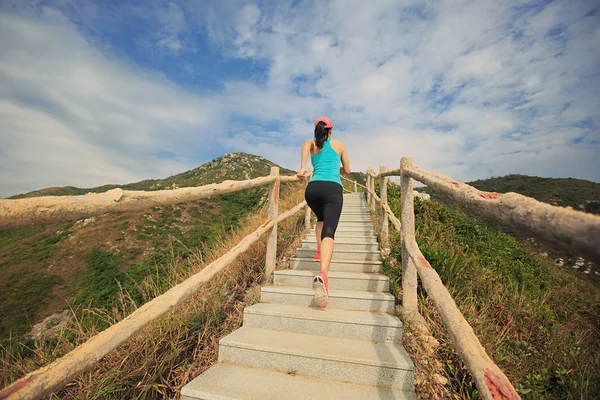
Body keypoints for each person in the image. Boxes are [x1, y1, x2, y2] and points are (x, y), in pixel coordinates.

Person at [296, 116, 351, 308]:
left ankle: (319, 250)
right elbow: (348, 170)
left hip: (312, 190)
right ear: (330, 130)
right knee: (329, 229)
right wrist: (338, 167)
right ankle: (323, 274)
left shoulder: (309, 144)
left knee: (320, 218)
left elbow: (304, 161)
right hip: (332, 189)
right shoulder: (339, 145)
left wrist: (303, 168)